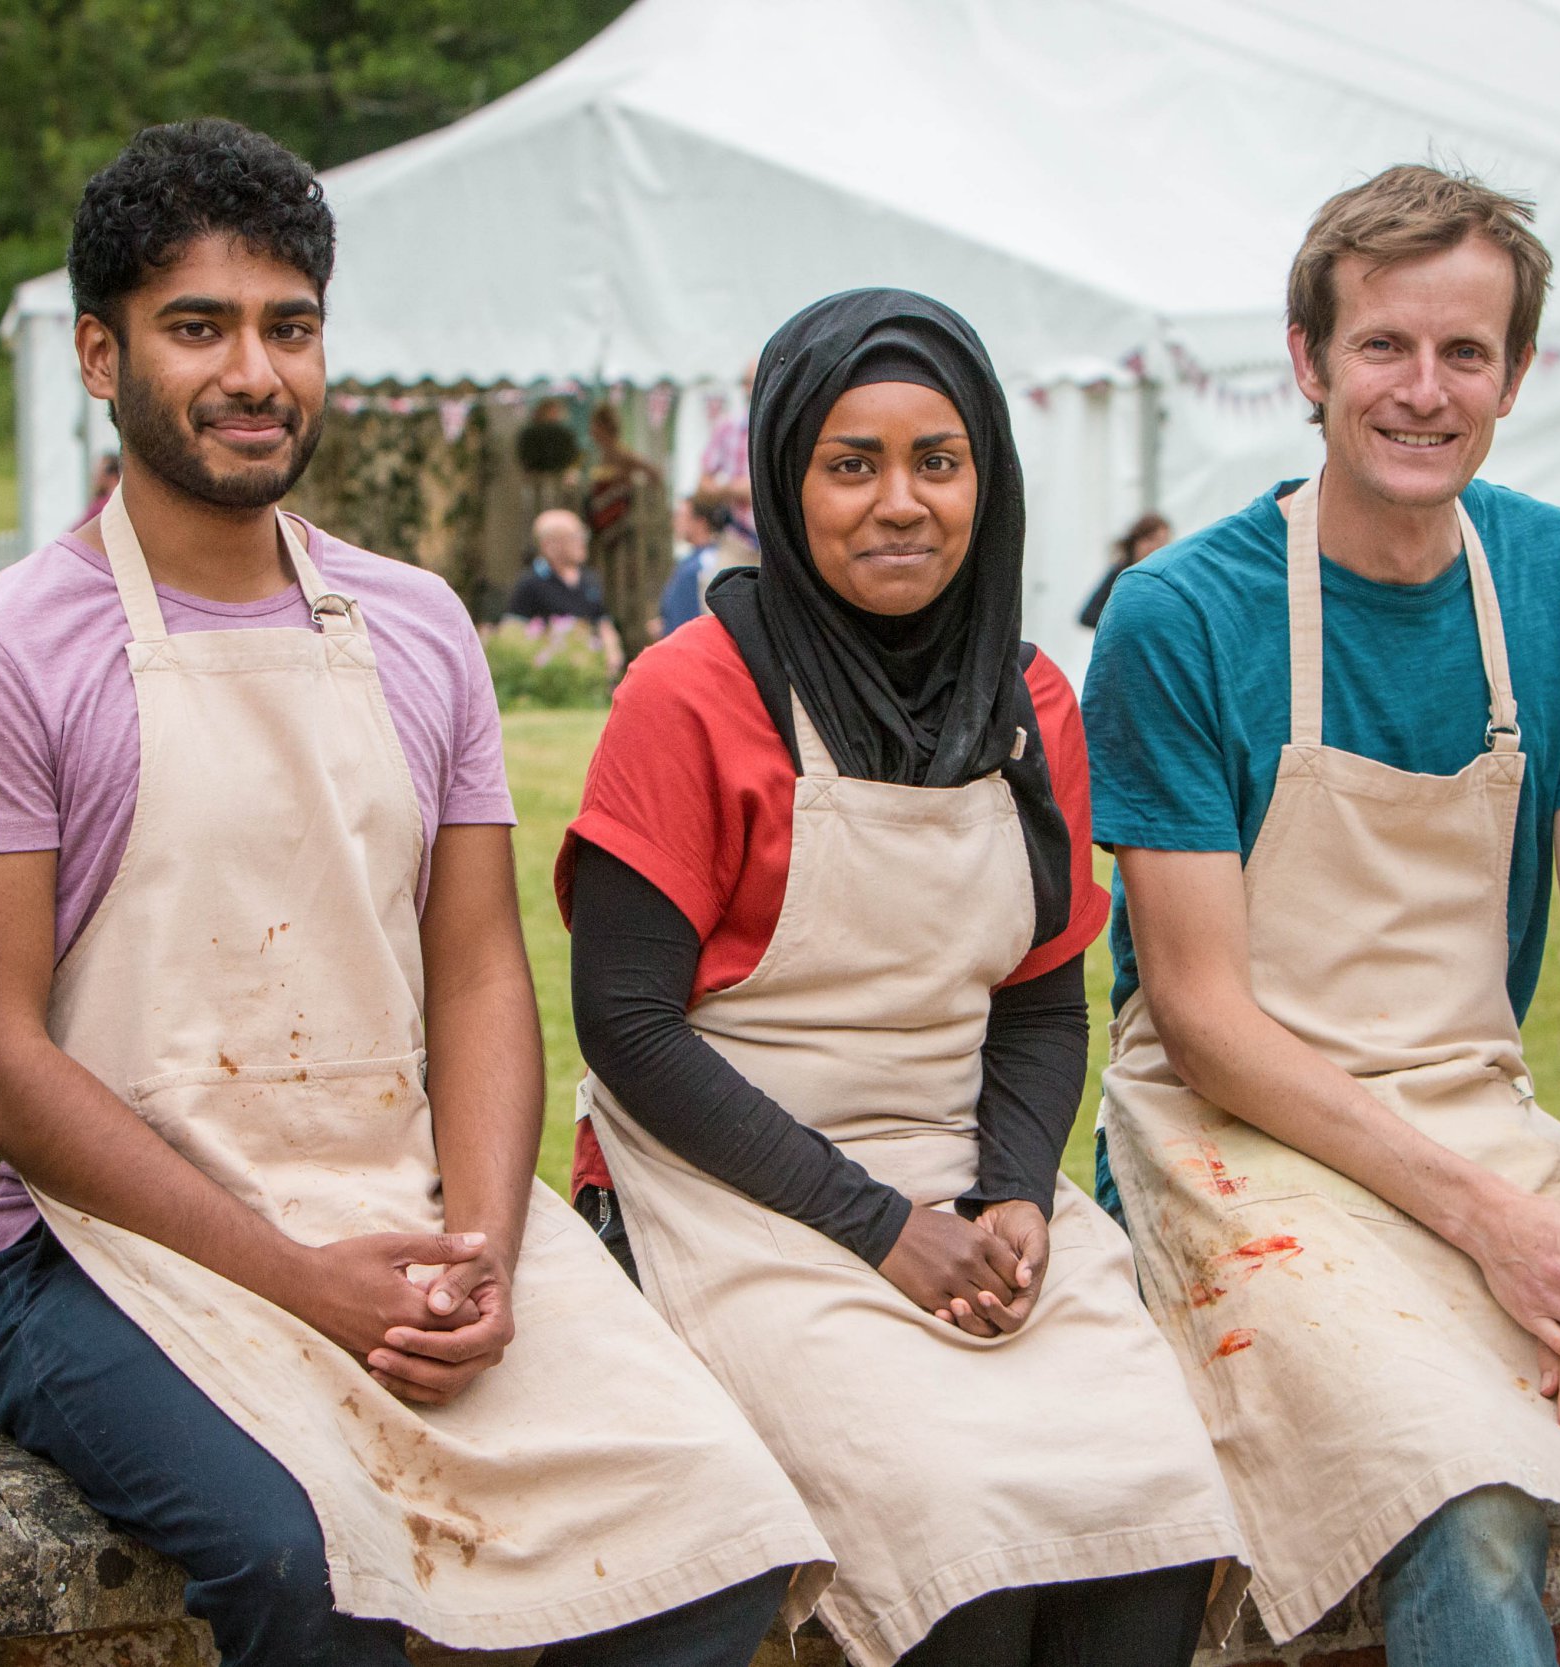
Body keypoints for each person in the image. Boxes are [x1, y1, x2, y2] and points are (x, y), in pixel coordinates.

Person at [0, 119, 828, 1667]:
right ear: (102, 360)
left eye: (290, 326)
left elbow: (477, 974)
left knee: (716, 1521)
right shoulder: (6, 658)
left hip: (390, 1199)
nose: (255, 371)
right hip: (91, 1255)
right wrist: (303, 1280)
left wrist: (485, 1248)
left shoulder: (419, 624)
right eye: (199, 327)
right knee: (302, 1553)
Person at [1084, 164, 1560, 1665]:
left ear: (1517, 374)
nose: (1424, 389)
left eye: (1465, 352)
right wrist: (1491, 1227)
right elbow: (1203, 1014)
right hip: (1240, 1140)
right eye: (1383, 347)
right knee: (1471, 1506)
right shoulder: (1180, 614)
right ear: (1307, 362)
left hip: (1474, 1102)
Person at [560, 288, 1244, 1667]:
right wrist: (882, 1226)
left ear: (987, 480)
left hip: (961, 1171)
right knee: (959, 1546)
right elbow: (626, 1025)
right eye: (851, 463)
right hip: (732, 1191)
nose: (900, 502)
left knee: (1154, 1509)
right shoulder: (687, 695)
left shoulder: (1031, 700)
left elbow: (1047, 996)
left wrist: (1009, 1191)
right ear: (784, 479)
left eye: (938, 460)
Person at [505, 508, 625, 671]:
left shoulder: (589, 578)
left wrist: (613, 654)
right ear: (549, 545)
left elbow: (602, 621)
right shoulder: (530, 583)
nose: (583, 542)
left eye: (584, 535)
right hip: (553, 675)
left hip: (591, 671)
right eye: (575, 536)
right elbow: (512, 631)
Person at [694, 356, 758, 548]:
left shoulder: (786, 427)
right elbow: (703, 486)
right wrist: (732, 489)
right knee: (715, 577)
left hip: (779, 545)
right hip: (739, 538)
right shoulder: (727, 427)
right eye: (749, 382)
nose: (753, 388)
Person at [1078, 512, 1170, 630]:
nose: (1156, 547)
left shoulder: (1166, 578)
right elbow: (1088, 615)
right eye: (1151, 539)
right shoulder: (1120, 574)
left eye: (1163, 542)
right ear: (1136, 541)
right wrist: (1129, 620)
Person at [651, 495, 726, 639]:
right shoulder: (689, 560)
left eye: (680, 516)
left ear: (700, 522)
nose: (675, 522)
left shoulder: (708, 563)